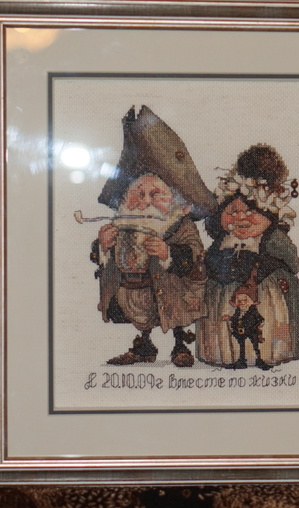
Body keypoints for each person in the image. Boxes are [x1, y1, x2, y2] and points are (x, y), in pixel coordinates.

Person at [90, 105, 217, 367]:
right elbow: (100, 256)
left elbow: (194, 252)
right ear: (125, 198)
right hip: (133, 291)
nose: (145, 201)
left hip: (173, 288)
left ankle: (180, 344)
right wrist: (103, 246)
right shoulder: (121, 224)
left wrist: (168, 253)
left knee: (174, 310)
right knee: (140, 315)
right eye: (138, 193)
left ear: (176, 201)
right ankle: (144, 346)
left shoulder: (179, 225)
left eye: (155, 194)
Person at [196, 144, 299, 367]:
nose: (240, 218)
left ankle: (271, 352)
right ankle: (224, 354)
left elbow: (292, 263)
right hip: (224, 295)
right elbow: (209, 263)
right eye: (232, 212)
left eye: (251, 211)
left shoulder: (273, 241)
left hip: (265, 293)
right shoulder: (223, 243)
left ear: (270, 217)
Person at [221, 269, 271, 370]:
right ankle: (241, 361)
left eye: (245, 300)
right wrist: (229, 318)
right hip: (240, 333)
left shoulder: (253, 310)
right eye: (239, 301)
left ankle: (259, 360)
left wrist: (260, 324)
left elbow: (259, 318)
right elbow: (235, 318)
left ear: (252, 301)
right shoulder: (238, 311)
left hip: (252, 332)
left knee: (255, 346)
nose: (242, 303)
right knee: (241, 347)